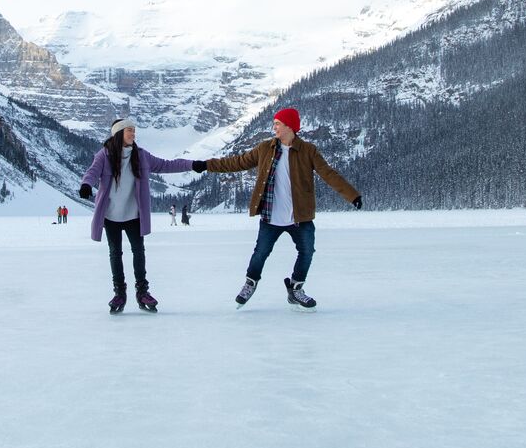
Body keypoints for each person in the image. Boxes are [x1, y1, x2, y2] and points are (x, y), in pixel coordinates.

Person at [198, 107, 362, 311]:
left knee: (307, 251)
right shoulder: (265, 148)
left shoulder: (308, 151)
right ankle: (250, 284)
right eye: (274, 123)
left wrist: (352, 195)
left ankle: (296, 289)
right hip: (271, 217)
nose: (274, 127)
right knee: (260, 253)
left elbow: (328, 173)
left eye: (278, 123)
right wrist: (206, 165)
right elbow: (238, 162)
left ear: (289, 126)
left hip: (299, 217)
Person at [79, 118, 202, 313]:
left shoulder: (141, 156)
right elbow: (92, 172)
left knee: (139, 252)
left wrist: (192, 164)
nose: (133, 134)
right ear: (119, 134)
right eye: (129, 131)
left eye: (134, 131)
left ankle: (142, 292)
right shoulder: (105, 155)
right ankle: (120, 293)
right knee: (115, 253)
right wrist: (86, 184)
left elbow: (165, 165)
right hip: (111, 216)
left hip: (134, 215)